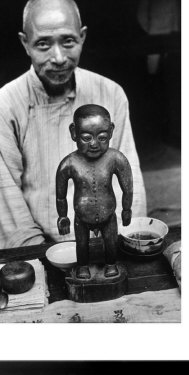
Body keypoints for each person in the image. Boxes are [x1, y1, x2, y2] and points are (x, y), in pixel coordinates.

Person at [0, 0, 146, 250]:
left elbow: (129, 176)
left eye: (68, 41)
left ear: (82, 36)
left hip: (108, 240)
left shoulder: (110, 93)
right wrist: (39, 253)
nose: (58, 57)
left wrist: (123, 237)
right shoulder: (2, 106)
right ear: (25, 43)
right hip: (42, 248)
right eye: (43, 44)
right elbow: (5, 199)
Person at [56, 104, 133, 279]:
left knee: (111, 242)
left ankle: (111, 264)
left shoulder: (116, 159)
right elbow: (60, 195)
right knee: (81, 244)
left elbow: (127, 188)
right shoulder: (69, 163)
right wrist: (62, 216)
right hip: (81, 218)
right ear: (74, 132)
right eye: (86, 137)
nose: (94, 144)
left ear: (111, 131)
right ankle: (82, 266)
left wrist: (126, 209)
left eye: (102, 137)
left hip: (109, 216)